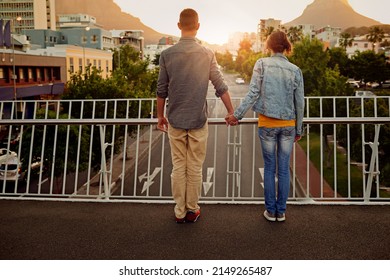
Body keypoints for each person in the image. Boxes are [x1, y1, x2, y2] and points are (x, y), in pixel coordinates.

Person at [156, 8, 235, 223]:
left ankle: (179, 211)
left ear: (179, 26)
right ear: (198, 26)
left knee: (179, 165)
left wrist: (159, 116)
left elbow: (161, 90)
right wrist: (231, 111)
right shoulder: (207, 53)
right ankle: (192, 210)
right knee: (195, 167)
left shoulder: (166, 55)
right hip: (198, 121)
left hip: (175, 121)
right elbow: (220, 85)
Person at [226, 30, 304, 222]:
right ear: (286, 47)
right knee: (284, 169)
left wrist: (237, 115)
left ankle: (271, 211)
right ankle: (281, 211)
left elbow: (253, 93)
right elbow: (300, 102)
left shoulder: (262, 64)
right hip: (288, 125)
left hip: (267, 124)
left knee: (270, 168)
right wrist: (299, 128)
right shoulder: (295, 70)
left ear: (269, 46)